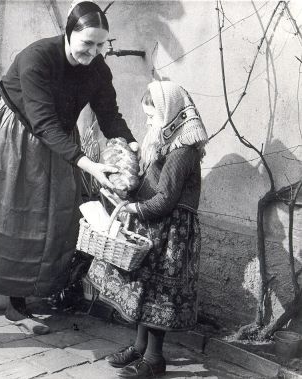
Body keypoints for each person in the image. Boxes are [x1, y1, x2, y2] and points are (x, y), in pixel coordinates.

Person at [0, 1, 138, 335]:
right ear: (68, 32)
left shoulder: (98, 69)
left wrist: (130, 145)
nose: (94, 51)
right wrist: (88, 165)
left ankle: (17, 304)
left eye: (101, 44)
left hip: (55, 139)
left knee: (35, 217)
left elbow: (110, 115)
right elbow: (42, 122)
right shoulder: (37, 58)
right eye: (87, 43)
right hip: (8, 129)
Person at [87, 80, 208, 378]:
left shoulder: (183, 152)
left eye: (153, 116)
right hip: (155, 227)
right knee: (145, 288)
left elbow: (166, 199)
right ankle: (140, 347)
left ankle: (155, 359)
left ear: (170, 113)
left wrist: (132, 208)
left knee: (158, 294)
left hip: (171, 235)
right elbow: (151, 182)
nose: (149, 122)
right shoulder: (164, 142)